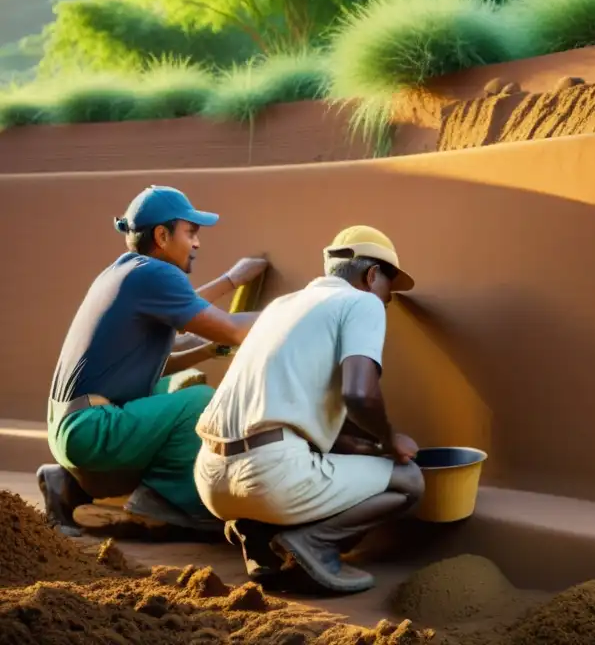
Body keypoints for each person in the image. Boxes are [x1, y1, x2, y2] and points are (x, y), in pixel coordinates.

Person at [193, 225, 424, 594]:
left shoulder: (281, 306)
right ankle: (314, 543)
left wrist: (365, 445)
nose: (387, 301)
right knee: (409, 481)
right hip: (269, 480)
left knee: (308, 457)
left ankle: (254, 534)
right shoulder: (362, 302)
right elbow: (360, 395)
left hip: (210, 480)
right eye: (388, 289)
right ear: (370, 275)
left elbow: (294, 415)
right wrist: (389, 439)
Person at [38, 185, 269, 536]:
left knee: (177, 383)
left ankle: (71, 483)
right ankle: (165, 499)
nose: (197, 243)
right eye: (190, 232)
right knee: (200, 403)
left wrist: (228, 290)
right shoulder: (155, 274)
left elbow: (148, 361)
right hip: (91, 429)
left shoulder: (127, 271)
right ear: (162, 235)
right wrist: (295, 311)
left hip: (72, 429)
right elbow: (232, 330)